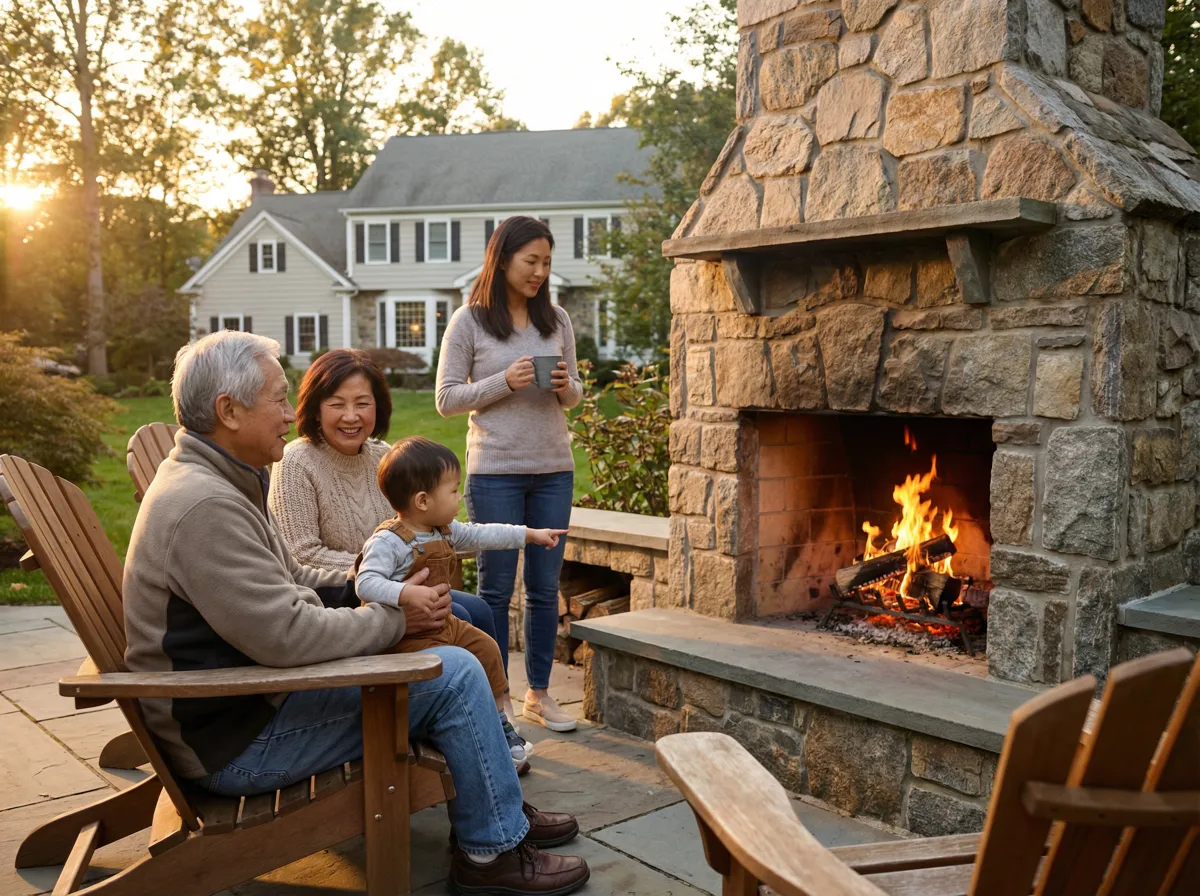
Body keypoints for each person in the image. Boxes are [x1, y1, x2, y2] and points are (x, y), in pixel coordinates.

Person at [123, 331, 590, 894]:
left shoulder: (222, 482)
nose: (285, 412)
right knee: (454, 673)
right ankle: (490, 853)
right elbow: (288, 637)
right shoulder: (205, 505)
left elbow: (290, 589)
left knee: (452, 643)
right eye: (276, 398)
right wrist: (395, 618)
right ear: (229, 410)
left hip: (252, 702)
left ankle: (500, 807)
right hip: (237, 741)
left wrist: (379, 594)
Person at [436, 216, 581, 733]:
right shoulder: (469, 322)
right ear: (502, 260)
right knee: (495, 590)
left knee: (545, 588)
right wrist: (505, 380)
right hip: (495, 471)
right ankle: (496, 698)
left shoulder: (556, 320)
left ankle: (539, 695)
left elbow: (577, 395)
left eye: (546, 262)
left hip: (553, 470)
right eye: (531, 261)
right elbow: (447, 399)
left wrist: (563, 385)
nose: (540, 272)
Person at [355, 436, 566, 764]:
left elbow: (484, 534)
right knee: (454, 673)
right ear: (423, 500)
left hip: (445, 625)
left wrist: (529, 534)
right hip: (407, 641)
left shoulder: (443, 529)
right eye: (453, 491)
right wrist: (407, 593)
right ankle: (453, 730)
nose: (459, 497)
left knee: (487, 650)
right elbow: (365, 583)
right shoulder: (388, 542)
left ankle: (498, 724)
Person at [268, 350, 498, 644]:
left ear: (378, 407)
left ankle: (496, 691)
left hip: (400, 583)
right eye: (337, 404)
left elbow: (415, 523)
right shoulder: (296, 462)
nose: (351, 416)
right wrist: (385, 570)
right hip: (341, 599)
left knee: (478, 610)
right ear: (316, 408)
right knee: (460, 617)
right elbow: (302, 556)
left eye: (363, 403)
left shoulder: (385, 456)